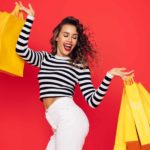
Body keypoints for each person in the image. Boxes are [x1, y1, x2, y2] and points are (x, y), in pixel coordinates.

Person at [15, 2, 134, 150]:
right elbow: (21, 49)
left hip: (71, 119)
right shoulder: (44, 58)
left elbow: (92, 101)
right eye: (65, 35)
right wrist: (30, 19)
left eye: (74, 37)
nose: (69, 40)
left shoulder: (78, 65)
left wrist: (108, 76)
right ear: (57, 37)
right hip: (57, 123)